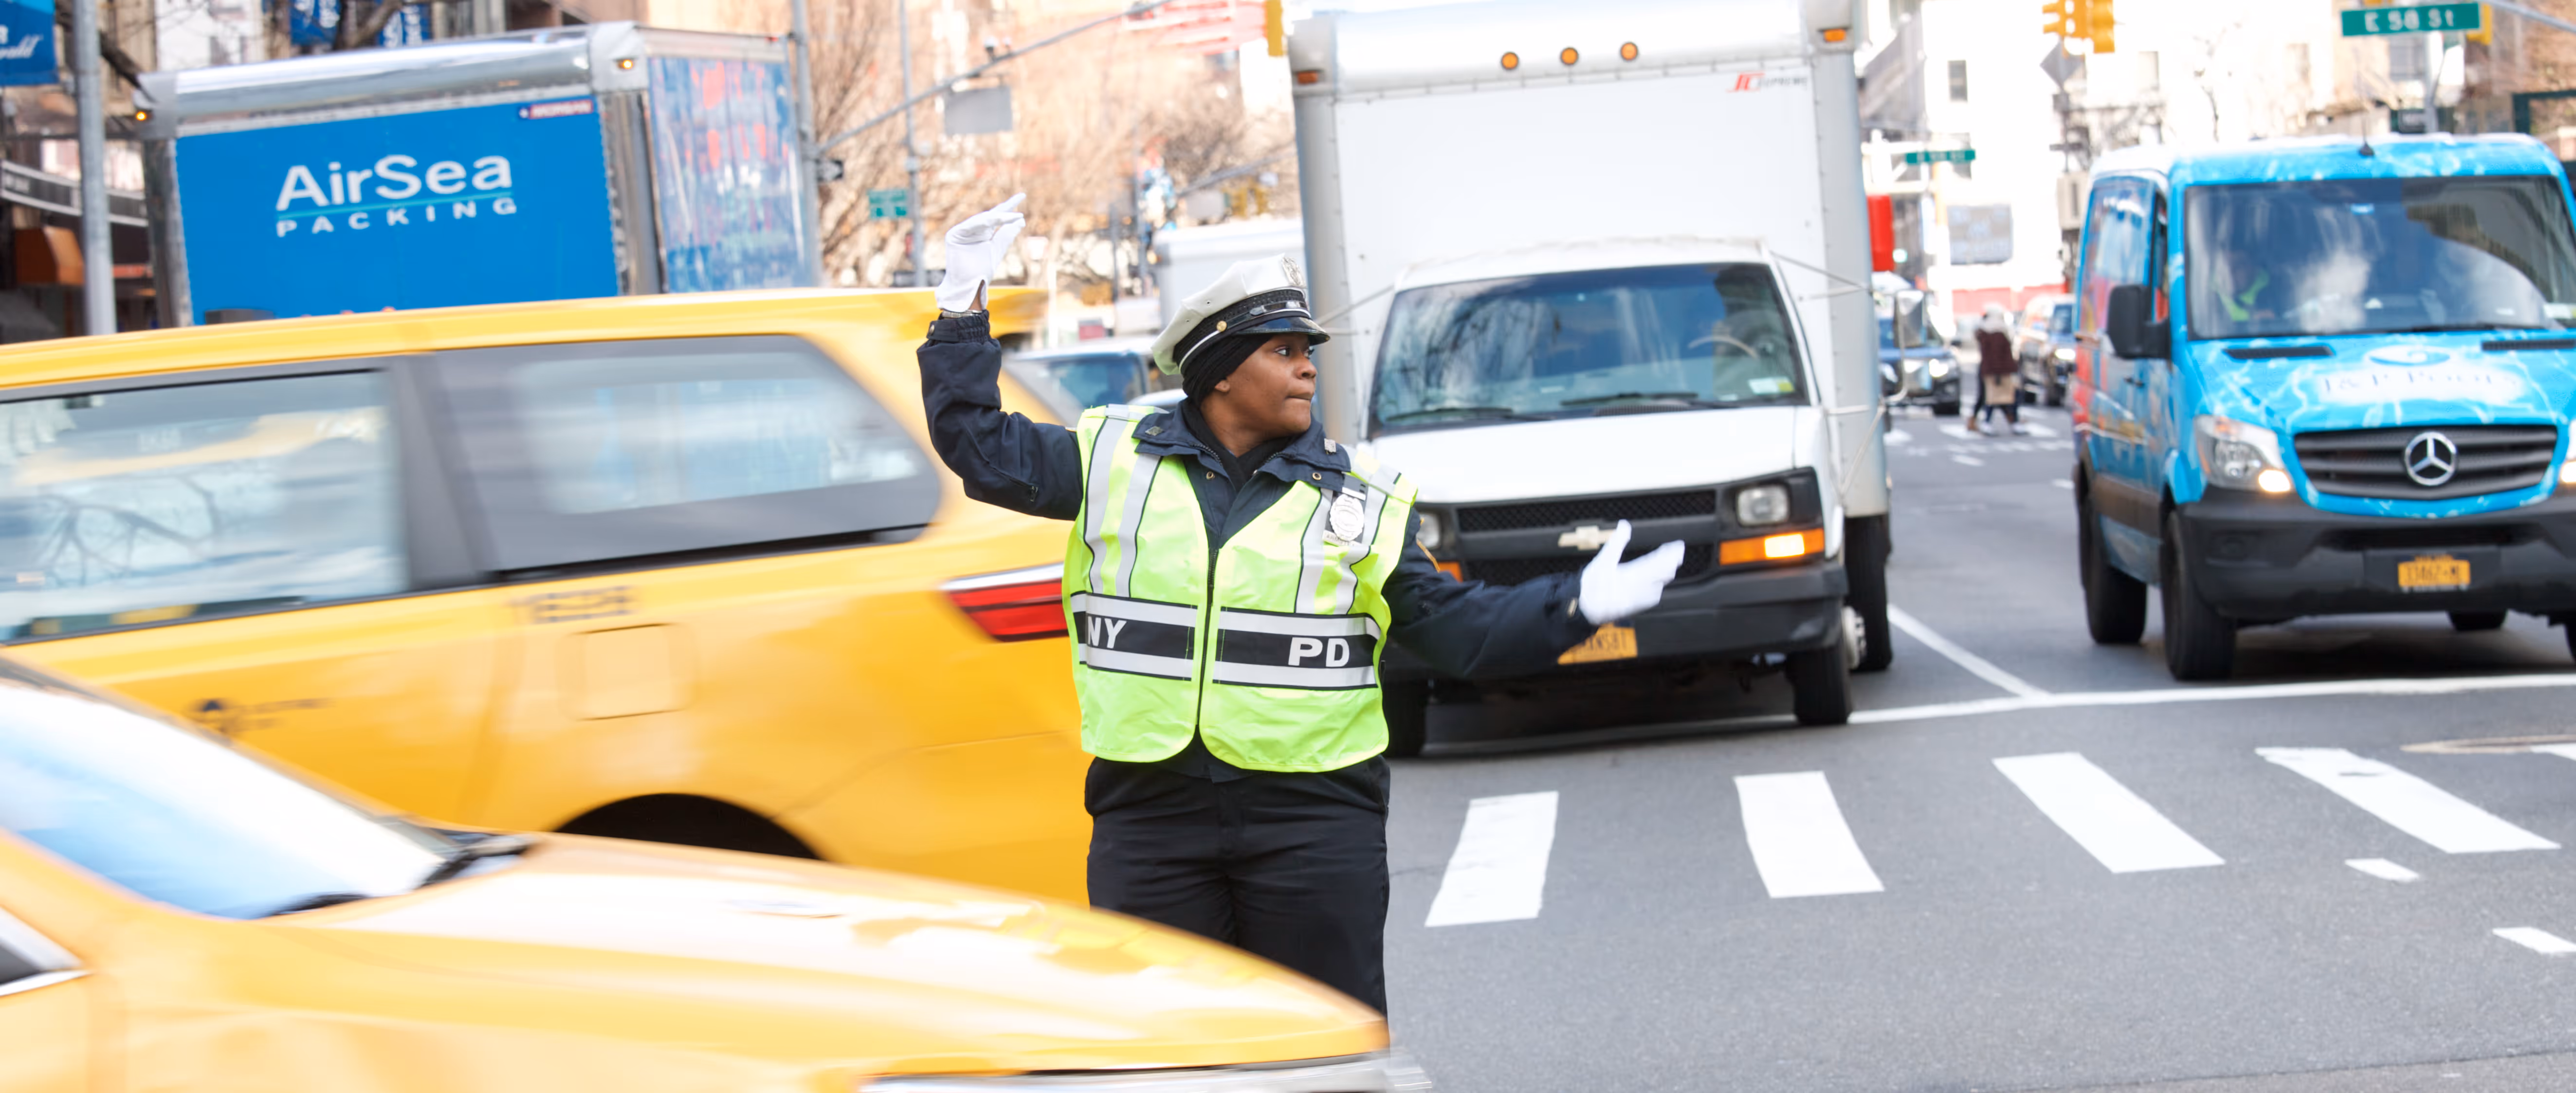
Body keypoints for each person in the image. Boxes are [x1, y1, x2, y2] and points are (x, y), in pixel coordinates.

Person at [916, 195, 1686, 1013]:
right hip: (1149, 819)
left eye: (1307, 352)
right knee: (1164, 1052)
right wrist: (960, 305)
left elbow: (1458, 635)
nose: (1307, 368)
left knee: (1321, 1045)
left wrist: (1572, 606)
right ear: (1219, 369)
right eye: (1284, 351)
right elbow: (980, 449)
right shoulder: (1111, 458)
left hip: (1312, 824)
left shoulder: (1362, 502)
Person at [1973, 304, 2023, 436]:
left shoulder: (1985, 331)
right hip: (2000, 371)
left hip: (1992, 371)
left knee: (1994, 398)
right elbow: (1996, 355)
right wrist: (1997, 373)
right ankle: (2006, 422)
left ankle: (2005, 422)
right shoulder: (1997, 332)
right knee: (1999, 398)